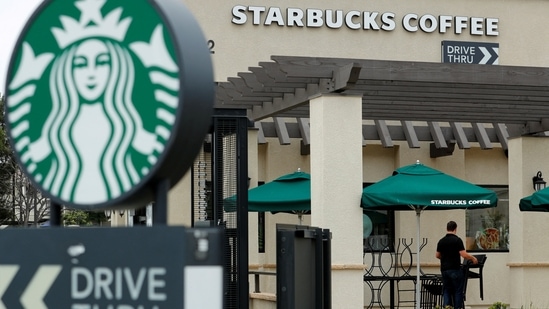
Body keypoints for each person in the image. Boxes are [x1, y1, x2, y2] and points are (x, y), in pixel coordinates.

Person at [435, 220, 478, 309]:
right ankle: (457, 308)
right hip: (455, 269)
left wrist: (445, 258)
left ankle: (447, 307)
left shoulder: (441, 241)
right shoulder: (457, 240)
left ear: (447, 228)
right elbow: (463, 254)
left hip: (444, 270)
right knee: (458, 291)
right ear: (455, 229)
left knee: (446, 290)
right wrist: (473, 258)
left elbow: (437, 255)